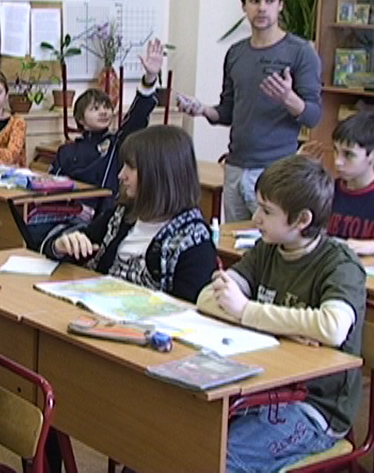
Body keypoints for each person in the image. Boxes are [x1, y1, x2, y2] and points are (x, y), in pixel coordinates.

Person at [196, 155, 364, 472]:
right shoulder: (268, 249)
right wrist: (283, 327)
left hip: (315, 408)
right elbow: (207, 297)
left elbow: (333, 327)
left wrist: (246, 310)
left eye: (267, 211)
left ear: (302, 220)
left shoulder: (339, 264)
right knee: (182, 436)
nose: (255, 218)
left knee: (218, 458)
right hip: (262, 386)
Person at [177, 0, 321, 222]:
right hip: (235, 167)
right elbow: (228, 111)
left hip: (275, 169)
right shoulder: (236, 53)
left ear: (281, 4)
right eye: (254, 0)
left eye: (269, 0)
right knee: (233, 240)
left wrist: (288, 98)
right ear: (244, 5)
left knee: (270, 240)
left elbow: (313, 116)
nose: (262, 8)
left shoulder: (300, 52)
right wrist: (202, 110)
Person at [42, 125, 217, 303]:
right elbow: (62, 249)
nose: (120, 175)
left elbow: (186, 312)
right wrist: (60, 246)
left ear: (159, 174)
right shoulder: (122, 215)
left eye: (131, 168)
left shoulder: (194, 242)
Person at [51, 38, 165, 195]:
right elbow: (50, 185)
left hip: (107, 208)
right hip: (73, 207)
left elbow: (137, 117)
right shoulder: (67, 151)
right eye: (95, 109)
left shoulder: (117, 143)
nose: (103, 112)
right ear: (80, 119)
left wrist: (150, 78)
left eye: (106, 107)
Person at [326, 111, 374, 255]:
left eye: (348, 154)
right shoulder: (327, 190)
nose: (337, 162)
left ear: (371, 155)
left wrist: (369, 246)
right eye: (335, 151)